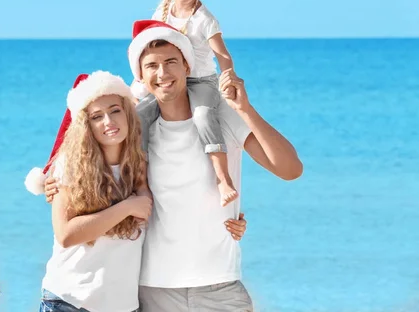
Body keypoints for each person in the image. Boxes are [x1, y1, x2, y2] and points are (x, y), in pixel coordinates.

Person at [125, 19, 303, 311]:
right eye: (152, 66)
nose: (163, 73)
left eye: (171, 62)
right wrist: (55, 182)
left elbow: (290, 169)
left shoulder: (222, 115)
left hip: (220, 287)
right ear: (141, 78)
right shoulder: (138, 130)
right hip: (153, 288)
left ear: (187, 66)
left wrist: (245, 109)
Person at [25, 71, 152, 312]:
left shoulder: (139, 165)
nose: (108, 121)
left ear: (128, 113)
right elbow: (66, 235)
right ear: (86, 125)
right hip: (68, 302)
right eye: (97, 116)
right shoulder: (70, 166)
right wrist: (127, 207)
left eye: (115, 110)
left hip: (123, 306)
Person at [131, 0, 239, 207]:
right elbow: (149, 49)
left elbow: (223, 55)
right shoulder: (162, 13)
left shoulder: (205, 19)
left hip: (200, 80)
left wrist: (228, 78)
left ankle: (222, 178)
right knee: (140, 115)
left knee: (203, 115)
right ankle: (140, 181)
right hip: (169, 78)